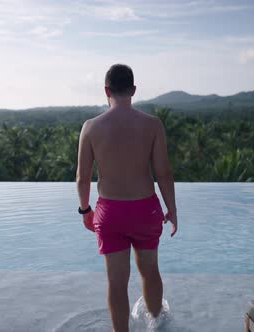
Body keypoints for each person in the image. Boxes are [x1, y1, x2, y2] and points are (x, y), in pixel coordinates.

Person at [76, 64, 178, 332]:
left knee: (116, 281)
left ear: (106, 90)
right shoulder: (153, 125)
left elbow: (82, 178)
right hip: (146, 210)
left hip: (110, 213)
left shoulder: (90, 127)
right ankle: (156, 324)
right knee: (150, 271)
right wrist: (173, 209)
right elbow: (164, 173)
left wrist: (85, 209)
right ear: (133, 90)